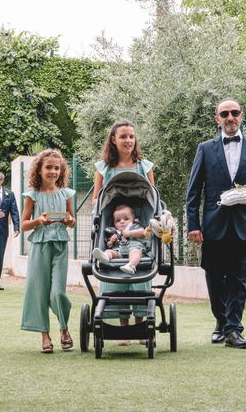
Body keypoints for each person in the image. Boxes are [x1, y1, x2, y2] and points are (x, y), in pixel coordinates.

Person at [186, 99, 246, 349]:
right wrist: (193, 225)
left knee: (239, 279)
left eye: (234, 113)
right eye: (224, 113)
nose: (230, 117)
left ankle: (234, 330)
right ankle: (221, 322)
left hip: (245, 224)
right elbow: (193, 191)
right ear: (217, 118)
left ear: (241, 116)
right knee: (215, 276)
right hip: (213, 225)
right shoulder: (205, 149)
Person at [92, 119, 154, 344]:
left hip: (136, 233)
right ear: (113, 139)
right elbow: (97, 201)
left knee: (139, 283)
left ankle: (141, 328)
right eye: (123, 136)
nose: (128, 140)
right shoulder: (104, 168)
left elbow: (152, 201)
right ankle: (121, 327)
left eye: (131, 136)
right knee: (114, 281)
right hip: (114, 230)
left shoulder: (144, 166)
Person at [20, 149, 76, 353]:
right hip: (40, 246)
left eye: (57, 168)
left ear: (61, 170)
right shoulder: (32, 196)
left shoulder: (67, 194)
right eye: (49, 167)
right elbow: (23, 225)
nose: (53, 171)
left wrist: (71, 221)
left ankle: (64, 328)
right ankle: (45, 336)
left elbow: (72, 222)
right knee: (39, 292)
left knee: (58, 292)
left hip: (60, 245)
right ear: (39, 169)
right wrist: (38, 221)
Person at [93, 204, 147, 275]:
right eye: (118, 221)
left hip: (134, 247)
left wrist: (130, 233)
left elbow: (143, 232)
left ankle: (131, 265)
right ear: (114, 223)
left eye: (126, 219)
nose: (122, 222)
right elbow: (109, 245)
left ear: (133, 219)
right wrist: (111, 241)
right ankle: (105, 257)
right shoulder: (114, 232)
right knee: (109, 251)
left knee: (135, 252)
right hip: (118, 251)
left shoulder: (135, 226)